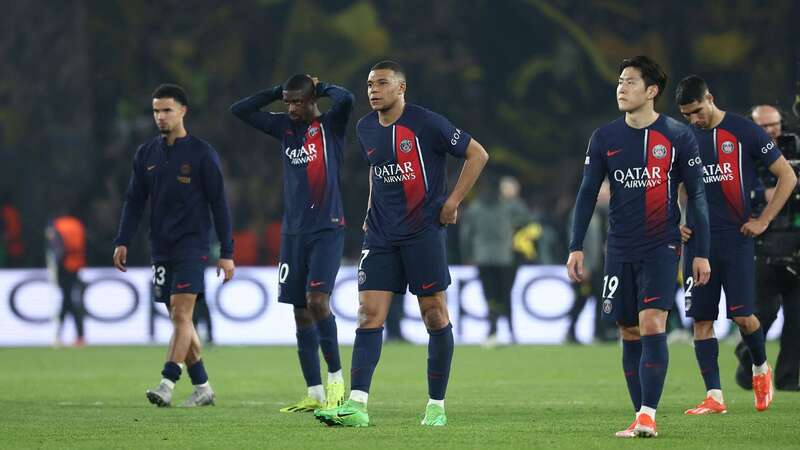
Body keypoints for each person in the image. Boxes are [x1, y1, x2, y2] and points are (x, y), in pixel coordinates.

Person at [315, 60, 488, 427]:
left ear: (401, 88)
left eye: (381, 83)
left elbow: (478, 154)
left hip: (423, 232)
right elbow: (378, 173)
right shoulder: (365, 128)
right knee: (368, 314)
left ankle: (436, 406)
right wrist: (367, 213)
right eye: (369, 84)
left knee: (434, 315)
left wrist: (453, 201)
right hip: (379, 235)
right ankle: (357, 405)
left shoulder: (428, 123)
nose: (373, 90)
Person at [567, 56, 711, 438]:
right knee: (628, 330)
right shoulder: (604, 138)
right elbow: (585, 194)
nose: (621, 88)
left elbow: (696, 196)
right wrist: (575, 245)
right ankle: (639, 415)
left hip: (661, 245)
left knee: (651, 323)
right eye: (619, 81)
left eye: (630, 82)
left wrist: (701, 250)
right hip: (619, 248)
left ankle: (648, 415)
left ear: (651, 91)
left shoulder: (678, 137)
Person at [231, 75, 353, 412]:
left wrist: (322, 85)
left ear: (312, 99)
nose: (291, 107)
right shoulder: (284, 128)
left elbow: (346, 99)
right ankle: (313, 393)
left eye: (298, 101)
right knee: (300, 312)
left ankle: (336, 380)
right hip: (293, 233)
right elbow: (239, 110)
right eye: (287, 102)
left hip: (327, 228)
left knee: (318, 302)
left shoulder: (331, 126)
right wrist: (275, 91)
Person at [675, 76, 796, 414]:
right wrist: (679, 221)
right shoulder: (685, 138)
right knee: (701, 320)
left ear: (710, 98)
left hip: (736, 239)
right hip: (698, 243)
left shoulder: (744, 130)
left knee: (744, 317)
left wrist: (764, 220)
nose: (694, 119)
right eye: (687, 115)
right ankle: (714, 396)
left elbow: (788, 176)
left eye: (697, 111)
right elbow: (679, 185)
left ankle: (760, 368)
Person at [113, 84, 235, 407]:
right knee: (180, 319)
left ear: (183, 111)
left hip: (193, 245)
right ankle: (203, 388)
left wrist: (227, 252)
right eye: (155, 111)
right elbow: (134, 201)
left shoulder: (201, 153)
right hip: (161, 247)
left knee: (182, 312)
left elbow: (219, 204)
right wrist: (123, 239)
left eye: (166, 110)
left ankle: (167, 382)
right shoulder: (147, 154)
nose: (160, 117)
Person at [733, 104, 800, 392]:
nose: (770, 131)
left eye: (774, 125)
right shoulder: (739, 153)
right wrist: (767, 192)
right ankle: (747, 358)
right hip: (758, 243)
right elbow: (736, 190)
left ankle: (787, 379)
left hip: (795, 242)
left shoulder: (795, 148)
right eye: (763, 126)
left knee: (797, 319)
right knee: (763, 314)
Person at [460, 175, 529, 347]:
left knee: (489, 296)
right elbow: (526, 219)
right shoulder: (507, 207)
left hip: (482, 257)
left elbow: (465, 235)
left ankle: (492, 330)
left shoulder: (474, 208)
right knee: (505, 295)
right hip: (504, 258)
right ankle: (512, 333)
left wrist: (467, 255)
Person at [565, 181, 610, 344]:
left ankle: (598, 332)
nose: (606, 196)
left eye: (607, 193)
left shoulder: (603, 214)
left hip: (600, 265)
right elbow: (577, 241)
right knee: (581, 299)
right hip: (585, 266)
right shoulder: (582, 212)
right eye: (603, 193)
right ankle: (570, 331)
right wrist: (584, 267)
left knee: (600, 299)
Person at [46, 215, 87, 347]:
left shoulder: (56, 227)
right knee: (70, 300)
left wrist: (56, 271)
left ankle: (61, 336)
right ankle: (78, 336)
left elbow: (58, 251)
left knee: (67, 301)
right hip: (76, 266)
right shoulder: (75, 224)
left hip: (64, 268)